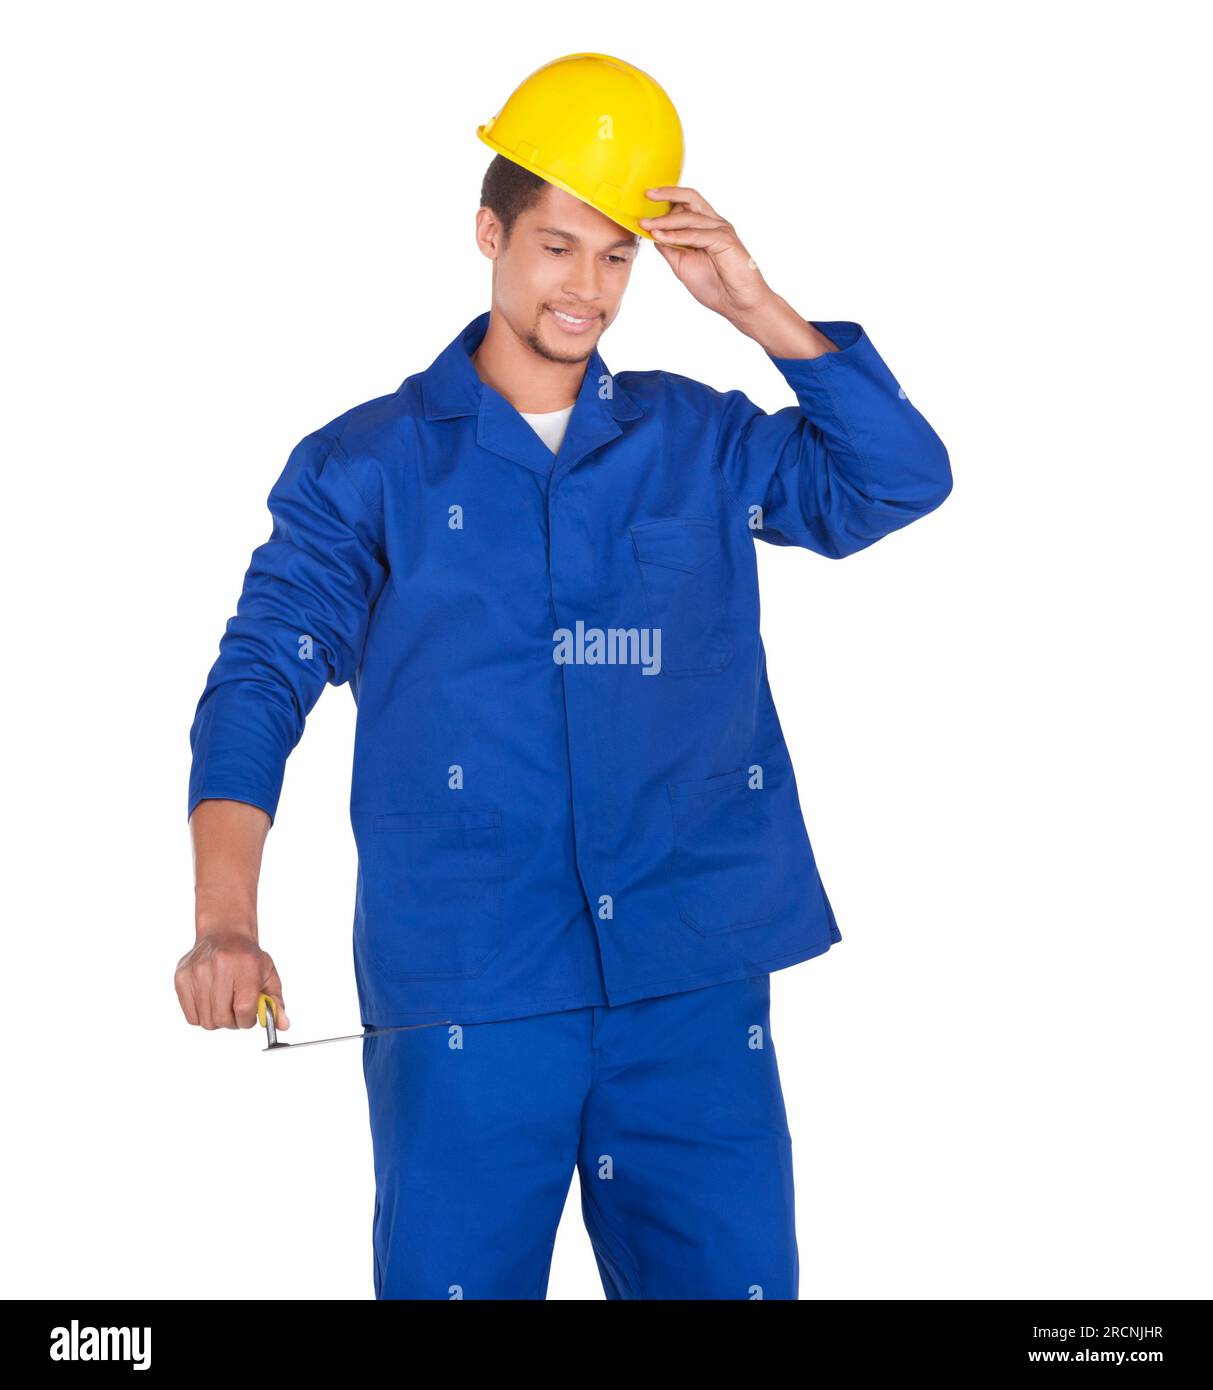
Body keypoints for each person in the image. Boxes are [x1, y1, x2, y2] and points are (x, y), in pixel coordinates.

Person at [176, 53, 952, 1300]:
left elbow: (893, 481)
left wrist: (754, 308)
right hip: (470, 990)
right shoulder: (366, 467)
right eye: (555, 247)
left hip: (690, 982)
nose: (586, 288)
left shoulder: (696, 437)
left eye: (615, 256)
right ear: (489, 234)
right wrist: (226, 918)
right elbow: (260, 679)